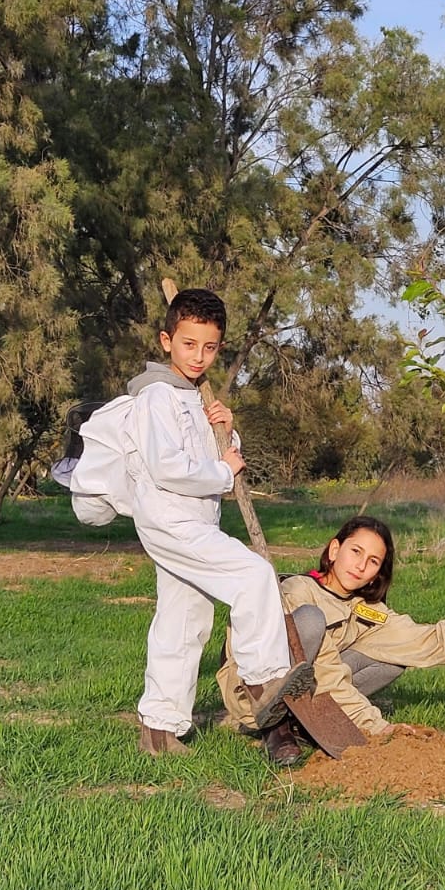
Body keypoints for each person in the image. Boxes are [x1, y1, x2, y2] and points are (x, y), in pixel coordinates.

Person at [126, 288, 312, 758]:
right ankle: (263, 682)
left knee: (184, 619)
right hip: (171, 519)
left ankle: (160, 730)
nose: (198, 356)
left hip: (195, 517)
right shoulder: (154, 397)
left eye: (209, 347)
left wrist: (227, 430)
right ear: (166, 340)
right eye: (189, 344)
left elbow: (219, 455)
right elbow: (169, 466)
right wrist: (225, 470)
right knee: (252, 575)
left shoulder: (191, 396)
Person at [216, 515, 445, 763]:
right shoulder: (296, 591)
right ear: (334, 550)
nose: (360, 565)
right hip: (252, 694)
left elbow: (413, 638)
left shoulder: (364, 609)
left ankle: (303, 724)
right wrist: (376, 727)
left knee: (393, 659)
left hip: (308, 686)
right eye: (355, 551)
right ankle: (275, 727)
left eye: (372, 561)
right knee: (309, 621)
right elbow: (327, 673)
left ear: (376, 574)